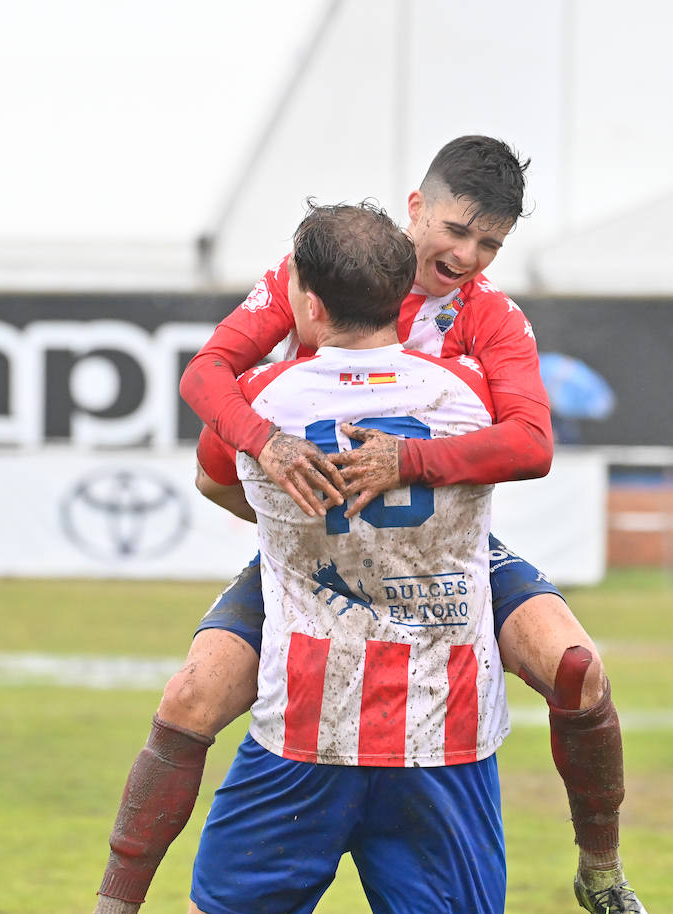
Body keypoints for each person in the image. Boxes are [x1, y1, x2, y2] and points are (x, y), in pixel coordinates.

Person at [93, 136, 646, 914]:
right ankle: (114, 902)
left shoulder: (488, 316)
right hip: (317, 543)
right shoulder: (312, 274)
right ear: (416, 208)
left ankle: (601, 872)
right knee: (190, 697)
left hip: (439, 551)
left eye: (490, 243)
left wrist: (408, 465)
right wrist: (272, 449)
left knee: (576, 669)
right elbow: (206, 378)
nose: (469, 255)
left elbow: (532, 442)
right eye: (458, 231)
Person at [190, 200, 510, 913]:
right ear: (403, 294)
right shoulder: (471, 397)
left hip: (306, 721)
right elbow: (525, 442)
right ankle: (604, 866)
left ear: (310, 300)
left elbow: (212, 473)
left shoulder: (259, 401)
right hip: (443, 726)